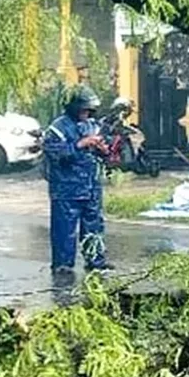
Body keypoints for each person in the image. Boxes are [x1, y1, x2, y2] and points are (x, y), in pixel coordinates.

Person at [44, 84, 113, 274]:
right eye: (83, 109)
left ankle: (96, 260)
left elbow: (106, 154)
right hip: (66, 188)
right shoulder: (58, 128)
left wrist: (104, 149)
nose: (86, 113)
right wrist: (80, 144)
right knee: (64, 229)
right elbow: (55, 154)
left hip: (91, 186)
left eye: (89, 109)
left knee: (94, 225)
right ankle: (63, 264)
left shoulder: (93, 125)